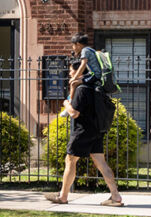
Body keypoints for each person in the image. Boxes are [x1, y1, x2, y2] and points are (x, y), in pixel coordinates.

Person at [44, 54, 122, 206]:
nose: (70, 73)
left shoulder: (82, 89)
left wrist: (66, 104)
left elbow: (74, 113)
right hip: (96, 130)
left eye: (71, 70)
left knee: (70, 160)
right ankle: (116, 196)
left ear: (80, 72)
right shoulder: (95, 87)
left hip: (83, 131)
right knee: (101, 163)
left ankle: (63, 197)